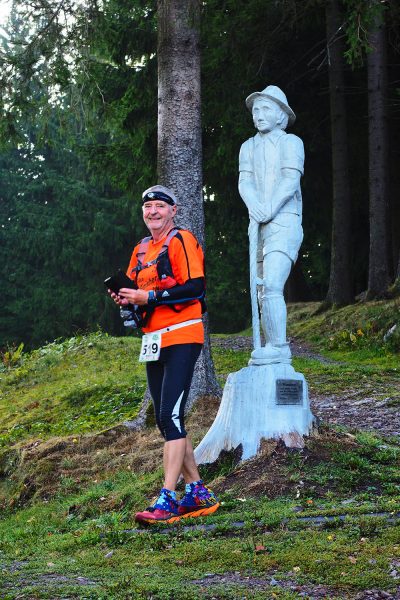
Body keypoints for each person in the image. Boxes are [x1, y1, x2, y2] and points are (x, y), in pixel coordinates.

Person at [109, 184, 219, 524]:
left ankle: (168, 498)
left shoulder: (182, 239)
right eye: (148, 207)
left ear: (174, 210)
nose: (153, 211)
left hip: (182, 335)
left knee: (170, 417)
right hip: (153, 338)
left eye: (160, 206)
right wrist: (127, 298)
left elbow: (196, 288)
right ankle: (198, 491)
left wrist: (150, 299)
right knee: (164, 418)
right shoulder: (141, 248)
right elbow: (138, 291)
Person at [238, 85, 305, 362]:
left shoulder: (292, 143)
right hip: (258, 225)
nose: (259, 114)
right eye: (256, 110)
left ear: (281, 116)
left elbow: (291, 179)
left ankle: (279, 347)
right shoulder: (248, 146)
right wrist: (254, 205)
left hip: (284, 221)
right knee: (262, 289)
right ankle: (269, 347)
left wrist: (270, 208)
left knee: (274, 285)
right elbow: (245, 181)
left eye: (266, 109)